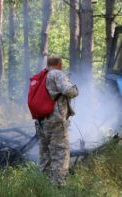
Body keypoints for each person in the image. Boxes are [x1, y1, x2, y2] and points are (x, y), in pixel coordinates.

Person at [36, 56, 78, 186]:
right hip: (56, 120)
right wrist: (75, 88)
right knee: (60, 154)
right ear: (59, 64)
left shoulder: (42, 75)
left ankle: (42, 186)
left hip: (42, 120)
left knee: (45, 155)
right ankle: (58, 188)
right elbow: (68, 90)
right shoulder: (57, 74)